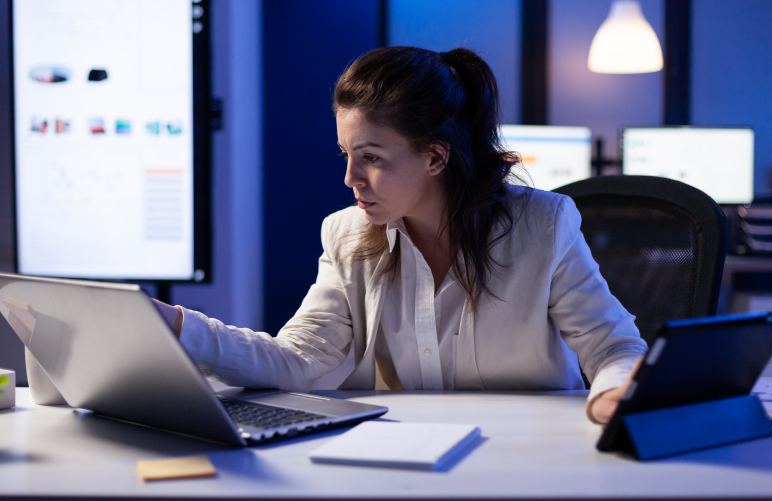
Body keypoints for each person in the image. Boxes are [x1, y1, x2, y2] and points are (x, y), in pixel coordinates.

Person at [153, 46, 647, 424]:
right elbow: (298, 357)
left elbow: (615, 347)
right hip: (400, 457)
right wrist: (176, 324)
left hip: (527, 452)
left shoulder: (544, 225)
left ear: (435, 157)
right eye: (345, 154)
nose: (350, 178)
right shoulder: (347, 236)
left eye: (371, 157)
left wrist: (612, 393)